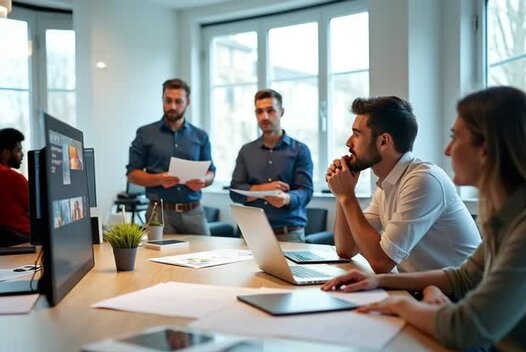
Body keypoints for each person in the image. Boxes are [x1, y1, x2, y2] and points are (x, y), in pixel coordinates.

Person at [322, 86, 526, 352]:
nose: (447, 150)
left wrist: (399, 303)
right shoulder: (512, 214)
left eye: (455, 138)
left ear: (485, 150)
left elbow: (466, 328)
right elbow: (462, 278)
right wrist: (378, 281)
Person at [325, 96, 480, 273]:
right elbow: (346, 249)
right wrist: (343, 193)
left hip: (460, 289)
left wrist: (347, 197)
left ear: (384, 141)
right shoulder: (388, 183)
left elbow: (381, 263)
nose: (348, 142)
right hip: (421, 287)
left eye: (357, 134)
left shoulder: (423, 180)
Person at [126, 78, 215, 235]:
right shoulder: (145, 133)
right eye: (168, 101)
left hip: (194, 212)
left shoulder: (200, 136)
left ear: (188, 102)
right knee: (159, 252)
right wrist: (159, 179)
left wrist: (204, 180)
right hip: (158, 213)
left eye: (178, 101)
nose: (172, 106)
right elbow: (132, 175)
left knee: (207, 251)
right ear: (162, 100)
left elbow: (211, 173)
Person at [230, 89, 313, 242]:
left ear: (281, 112)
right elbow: (235, 191)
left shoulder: (300, 150)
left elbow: (306, 191)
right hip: (251, 234)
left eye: (270, 110)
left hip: (289, 234)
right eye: (259, 111)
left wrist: (287, 198)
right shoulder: (246, 151)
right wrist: (264, 189)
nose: (265, 117)